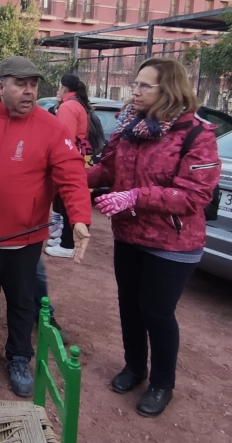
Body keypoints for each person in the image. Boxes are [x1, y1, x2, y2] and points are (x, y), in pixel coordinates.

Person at [0, 56, 91, 397]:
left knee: (21, 300)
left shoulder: (52, 128)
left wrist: (80, 220)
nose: (29, 92)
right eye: (20, 84)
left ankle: (18, 357)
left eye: (33, 85)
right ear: (1, 87)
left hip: (21, 235)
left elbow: (72, 178)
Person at [87, 57, 220, 418]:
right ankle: (135, 367)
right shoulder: (129, 126)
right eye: (135, 83)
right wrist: (71, 175)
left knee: (157, 311)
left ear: (170, 89)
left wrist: (136, 196)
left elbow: (194, 196)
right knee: (129, 304)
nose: (135, 90)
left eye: (145, 85)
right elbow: (107, 169)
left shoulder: (196, 135)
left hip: (173, 243)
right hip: (129, 234)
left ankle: (163, 383)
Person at [46, 74, 94, 258]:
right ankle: (63, 237)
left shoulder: (68, 107)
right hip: (81, 153)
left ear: (64, 88)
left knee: (66, 196)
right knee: (64, 197)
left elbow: (64, 138)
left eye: (59, 87)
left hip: (71, 155)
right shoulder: (77, 104)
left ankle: (67, 243)